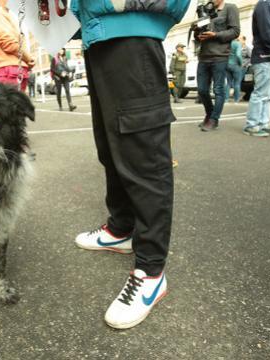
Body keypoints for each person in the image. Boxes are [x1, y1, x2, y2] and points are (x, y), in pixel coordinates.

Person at [71, 0, 190, 329]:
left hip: (133, 34)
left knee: (144, 158)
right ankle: (122, 229)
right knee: (111, 148)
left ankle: (151, 271)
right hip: (98, 39)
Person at [194, 0, 240, 132]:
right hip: (203, 55)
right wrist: (198, 33)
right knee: (202, 90)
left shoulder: (230, 8)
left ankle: (214, 119)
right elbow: (199, 36)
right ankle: (209, 114)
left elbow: (235, 31)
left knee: (218, 89)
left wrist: (215, 35)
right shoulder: (205, 10)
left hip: (220, 56)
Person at [243, 0, 270, 137]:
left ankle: (264, 122)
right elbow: (267, 31)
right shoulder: (264, 4)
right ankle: (252, 125)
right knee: (261, 93)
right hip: (265, 56)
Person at [0, 0, 35, 91]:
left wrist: (27, 60)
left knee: (17, 104)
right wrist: (29, 59)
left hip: (14, 70)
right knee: (13, 104)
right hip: (10, 70)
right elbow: (9, 44)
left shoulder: (7, 15)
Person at [224, 37, 243, 103]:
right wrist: (241, 63)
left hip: (227, 64)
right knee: (237, 83)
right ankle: (236, 100)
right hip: (235, 65)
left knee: (228, 83)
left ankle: (226, 99)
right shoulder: (238, 44)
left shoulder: (227, 44)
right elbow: (238, 55)